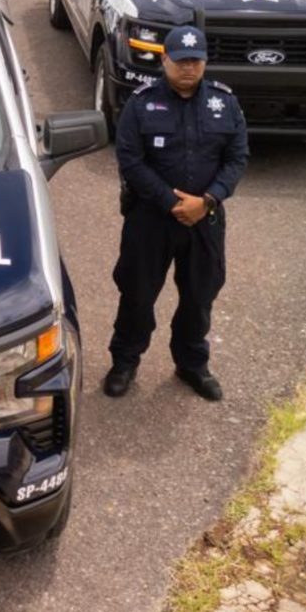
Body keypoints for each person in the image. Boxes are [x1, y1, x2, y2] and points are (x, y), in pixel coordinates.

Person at [106, 25, 248, 402]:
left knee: (199, 296)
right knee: (137, 294)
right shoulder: (141, 103)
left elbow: (237, 159)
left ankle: (192, 364)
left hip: (205, 219)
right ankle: (124, 361)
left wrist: (208, 200)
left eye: (195, 61)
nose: (189, 67)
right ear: (164, 59)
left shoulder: (224, 102)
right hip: (151, 219)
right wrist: (171, 202)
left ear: (205, 62)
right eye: (181, 60)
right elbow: (130, 160)